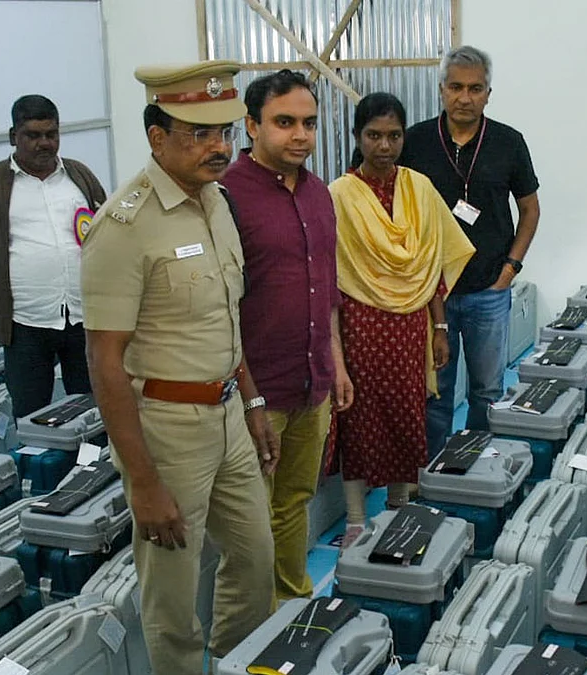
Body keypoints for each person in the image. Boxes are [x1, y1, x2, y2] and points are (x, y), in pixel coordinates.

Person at [81, 61, 277, 673]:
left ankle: (235, 660)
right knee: (171, 592)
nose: (218, 148)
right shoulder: (123, 227)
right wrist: (142, 481)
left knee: (253, 560)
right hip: (167, 429)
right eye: (198, 133)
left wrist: (251, 402)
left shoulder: (218, 202)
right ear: (156, 136)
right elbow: (105, 364)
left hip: (228, 418)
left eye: (224, 132)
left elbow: (225, 319)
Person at [220, 70, 353, 602]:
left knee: (295, 499)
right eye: (284, 123)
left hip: (312, 383)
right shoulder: (225, 196)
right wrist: (248, 394)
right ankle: (252, 624)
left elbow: (329, 290)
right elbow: (221, 309)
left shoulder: (319, 192)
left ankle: (293, 602)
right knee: (251, 517)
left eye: (309, 124)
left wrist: (337, 364)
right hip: (257, 391)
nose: (300, 135)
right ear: (251, 125)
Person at [329, 92, 475, 546]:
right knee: (359, 416)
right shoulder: (338, 195)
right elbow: (332, 274)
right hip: (361, 322)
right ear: (357, 137)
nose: (384, 146)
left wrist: (440, 326)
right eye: (374, 135)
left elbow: (432, 264)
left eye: (393, 136)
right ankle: (356, 517)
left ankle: (399, 504)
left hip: (411, 323)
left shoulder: (419, 188)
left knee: (407, 413)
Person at [400, 46, 541, 456]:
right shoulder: (415, 142)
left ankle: (478, 466)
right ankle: (434, 472)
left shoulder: (509, 142)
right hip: (432, 294)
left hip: (488, 290)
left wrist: (511, 268)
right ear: (442, 90)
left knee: (487, 390)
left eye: (475, 88)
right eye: (456, 87)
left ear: (488, 93)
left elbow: (530, 208)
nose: (465, 97)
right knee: (436, 392)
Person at [0, 94, 107, 418]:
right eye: (33, 135)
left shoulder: (79, 176)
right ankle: (40, 466)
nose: (44, 144)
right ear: (14, 137)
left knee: (93, 409)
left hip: (84, 317)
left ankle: (92, 466)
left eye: (51, 134)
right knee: (31, 413)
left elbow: (108, 235)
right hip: (25, 322)